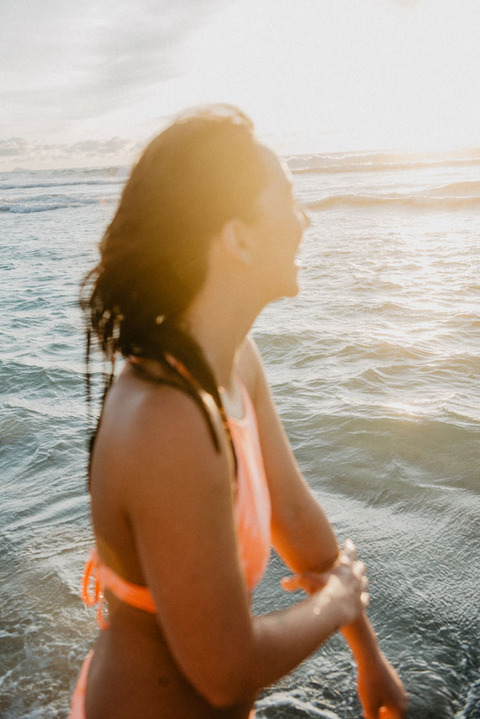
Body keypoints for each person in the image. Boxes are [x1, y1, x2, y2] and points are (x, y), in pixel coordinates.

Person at [71, 105, 408, 719]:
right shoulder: (165, 421)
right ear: (239, 238)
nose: (305, 219)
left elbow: (298, 519)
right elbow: (225, 672)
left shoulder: (235, 360)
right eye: (289, 198)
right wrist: (333, 603)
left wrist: (368, 654)